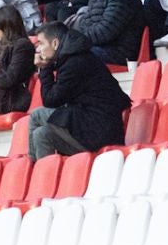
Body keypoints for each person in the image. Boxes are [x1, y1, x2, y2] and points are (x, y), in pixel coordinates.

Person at [26, 22, 130, 160]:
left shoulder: (74, 63)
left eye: (41, 43)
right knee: (42, 134)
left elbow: (51, 100)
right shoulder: (74, 56)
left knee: (36, 115)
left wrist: (45, 68)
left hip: (99, 131)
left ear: (55, 44)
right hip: (89, 125)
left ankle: (30, 164)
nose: (38, 49)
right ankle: (43, 176)